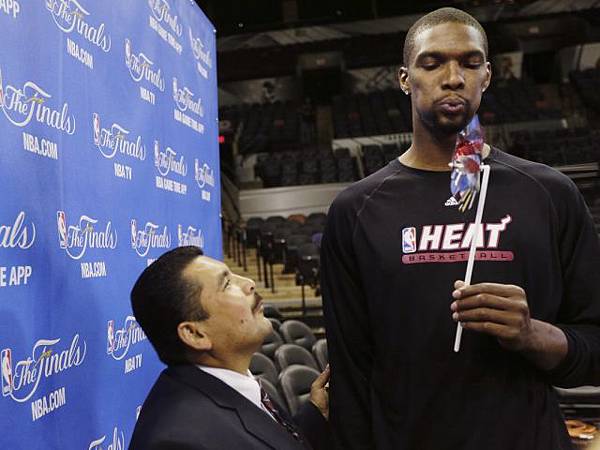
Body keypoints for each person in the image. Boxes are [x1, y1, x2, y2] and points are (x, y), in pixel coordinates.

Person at [321, 7, 600, 450]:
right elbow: (351, 378)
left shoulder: (550, 194)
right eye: (432, 63)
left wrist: (532, 335)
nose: (453, 78)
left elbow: (594, 348)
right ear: (405, 78)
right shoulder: (356, 210)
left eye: (469, 63)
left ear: (486, 76)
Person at [129, 246, 330, 450]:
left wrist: (316, 413)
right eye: (227, 284)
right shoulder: (178, 441)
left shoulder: (219, 386)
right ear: (195, 334)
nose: (249, 283)